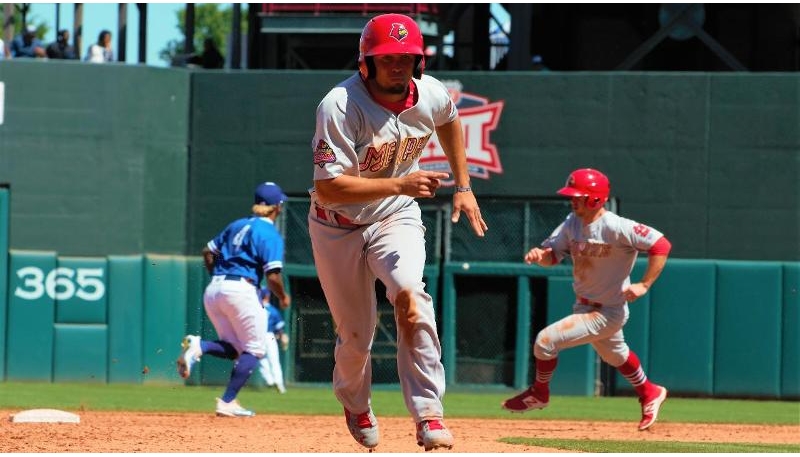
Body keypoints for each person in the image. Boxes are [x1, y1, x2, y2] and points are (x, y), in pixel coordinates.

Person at [308, 13, 488, 452]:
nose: (397, 65)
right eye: (386, 58)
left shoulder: (430, 93)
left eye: (406, 57)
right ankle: (356, 403)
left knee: (410, 296)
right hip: (337, 226)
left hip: (394, 216)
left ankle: (429, 415)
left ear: (419, 61)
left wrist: (463, 186)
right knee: (356, 338)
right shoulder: (340, 104)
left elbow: (447, 118)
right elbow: (328, 187)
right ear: (366, 62)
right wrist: (400, 183)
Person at [502, 168, 671, 431]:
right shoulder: (571, 223)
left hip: (608, 312)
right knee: (616, 355)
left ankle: (539, 392)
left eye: (578, 196)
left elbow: (661, 244)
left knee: (545, 341)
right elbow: (553, 256)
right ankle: (650, 391)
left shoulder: (617, 227)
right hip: (584, 305)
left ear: (595, 199)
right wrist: (540, 256)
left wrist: (645, 284)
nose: (572, 200)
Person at [177, 181, 292, 417]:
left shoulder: (237, 225)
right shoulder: (270, 234)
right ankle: (228, 402)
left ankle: (199, 346)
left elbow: (208, 251)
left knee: (236, 349)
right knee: (256, 349)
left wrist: (218, 278)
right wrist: (282, 295)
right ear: (278, 207)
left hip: (214, 289)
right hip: (241, 289)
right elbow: (272, 276)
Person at [256, 287, 289, 394]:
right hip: (270, 335)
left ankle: (269, 380)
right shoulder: (273, 310)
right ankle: (279, 383)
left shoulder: (255, 309)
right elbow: (279, 328)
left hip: (257, 336)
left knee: (261, 358)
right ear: (267, 296)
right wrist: (282, 335)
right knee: (274, 360)